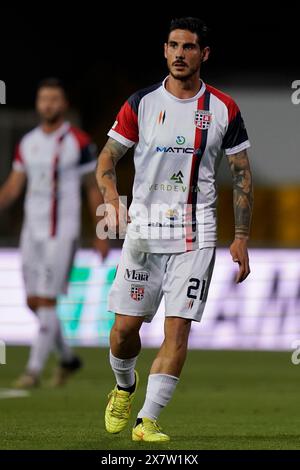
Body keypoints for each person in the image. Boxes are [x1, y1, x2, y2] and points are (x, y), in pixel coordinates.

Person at [96, 17, 253, 442]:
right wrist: (112, 201)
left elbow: (241, 174)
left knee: (178, 327)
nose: (179, 54)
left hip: (197, 232)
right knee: (125, 331)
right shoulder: (142, 103)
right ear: (165, 51)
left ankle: (147, 421)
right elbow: (107, 159)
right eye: (172, 45)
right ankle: (124, 386)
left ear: (204, 54)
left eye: (188, 47)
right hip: (145, 232)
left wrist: (240, 237)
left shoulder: (223, 109)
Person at [0, 78, 109, 388]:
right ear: (38, 104)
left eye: (54, 99)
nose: (48, 104)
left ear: (63, 104)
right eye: (43, 99)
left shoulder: (78, 141)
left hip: (62, 231)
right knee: (33, 301)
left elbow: (92, 189)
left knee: (47, 300)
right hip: (31, 232)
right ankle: (67, 359)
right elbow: (13, 186)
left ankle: (32, 371)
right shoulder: (28, 143)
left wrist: (101, 232)